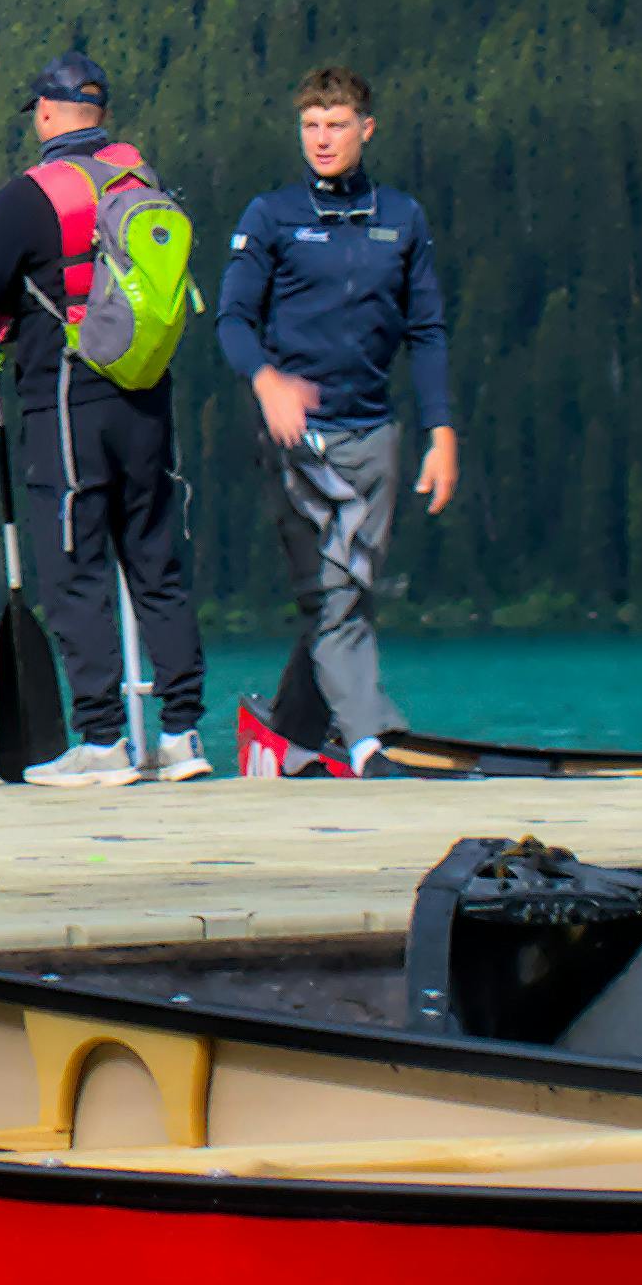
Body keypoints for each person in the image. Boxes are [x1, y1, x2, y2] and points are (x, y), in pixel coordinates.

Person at [0, 51, 205, 786]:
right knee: (154, 560)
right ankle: (181, 733)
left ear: (46, 114)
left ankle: (103, 740)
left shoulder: (29, 197)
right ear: (101, 115)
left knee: (74, 567)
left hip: (67, 399)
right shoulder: (142, 181)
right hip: (147, 394)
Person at [214, 65, 455, 774]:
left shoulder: (401, 217)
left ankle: (285, 739)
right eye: (310, 126)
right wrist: (266, 381)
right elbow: (232, 319)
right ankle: (369, 739)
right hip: (298, 432)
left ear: (365, 129)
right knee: (332, 586)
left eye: (336, 125)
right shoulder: (272, 215)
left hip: (374, 429)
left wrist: (441, 432)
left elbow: (428, 331)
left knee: (350, 587)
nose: (322, 140)